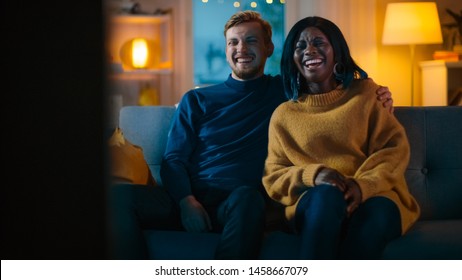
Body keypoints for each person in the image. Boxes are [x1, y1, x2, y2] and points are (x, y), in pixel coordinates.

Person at [108, 11, 394, 260]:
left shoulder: (286, 93)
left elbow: (334, 88)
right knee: (117, 198)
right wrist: (186, 201)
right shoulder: (197, 100)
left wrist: (379, 94)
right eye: (233, 42)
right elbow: (174, 159)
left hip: (238, 204)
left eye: (251, 40)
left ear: (269, 48)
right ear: (226, 49)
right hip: (190, 199)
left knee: (247, 198)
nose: (241, 48)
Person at [262, 16, 420, 260]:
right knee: (327, 197)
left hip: (376, 195)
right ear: (292, 59)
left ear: (336, 51)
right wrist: (314, 176)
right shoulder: (284, 115)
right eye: (300, 46)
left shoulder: (367, 94)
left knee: (373, 217)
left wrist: (361, 186)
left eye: (319, 42)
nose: (309, 50)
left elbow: (393, 149)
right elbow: (274, 176)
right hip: (316, 202)